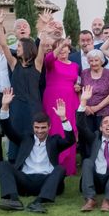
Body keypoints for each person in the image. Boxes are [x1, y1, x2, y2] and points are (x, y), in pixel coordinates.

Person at [0, 89, 75, 213]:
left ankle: (38, 202)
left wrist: (64, 118)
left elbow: (71, 140)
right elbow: (8, 130)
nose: (39, 131)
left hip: (46, 180)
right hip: (25, 180)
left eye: (43, 127)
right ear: (33, 127)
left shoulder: (54, 140)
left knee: (61, 168)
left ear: (49, 127)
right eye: (37, 127)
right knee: (3, 165)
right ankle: (14, 200)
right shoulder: (25, 138)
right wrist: (5, 106)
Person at [42, 39, 80, 175]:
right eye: (59, 47)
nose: (63, 49)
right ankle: (53, 163)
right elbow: (48, 58)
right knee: (55, 129)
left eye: (65, 47)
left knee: (69, 129)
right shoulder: (51, 63)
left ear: (70, 49)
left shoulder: (75, 65)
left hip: (70, 101)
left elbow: (76, 81)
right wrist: (61, 45)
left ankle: (69, 167)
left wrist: (77, 87)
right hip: (53, 100)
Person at [6, 37, 45, 162]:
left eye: (19, 46)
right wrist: (0, 25)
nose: (16, 49)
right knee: (15, 132)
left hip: (34, 107)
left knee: (33, 134)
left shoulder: (37, 64)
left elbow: (43, 45)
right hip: (17, 107)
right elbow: (3, 44)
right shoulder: (13, 63)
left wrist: (44, 26)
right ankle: (14, 162)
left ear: (26, 48)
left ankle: (33, 163)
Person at [79, 49, 109, 133]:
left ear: (102, 61)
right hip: (88, 111)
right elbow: (80, 91)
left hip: (105, 113)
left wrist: (97, 107)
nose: (93, 63)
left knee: (103, 136)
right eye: (91, 61)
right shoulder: (84, 73)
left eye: (96, 60)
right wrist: (84, 106)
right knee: (88, 137)